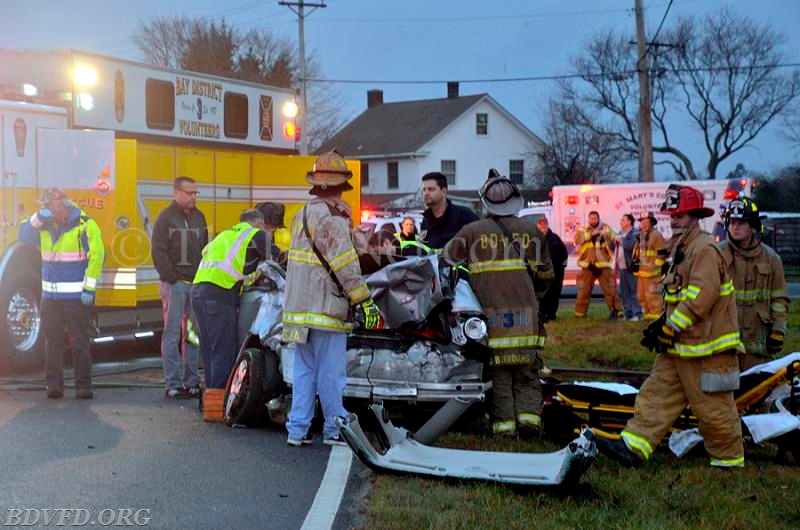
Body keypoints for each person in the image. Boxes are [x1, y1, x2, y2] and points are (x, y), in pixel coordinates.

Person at [594, 185, 744, 468]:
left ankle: (729, 462)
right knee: (655, 394)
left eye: (681, 215)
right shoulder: (680, 247)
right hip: (679, 347)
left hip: (706, 350)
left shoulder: (704, 249)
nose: (674, 220)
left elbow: (702, 295)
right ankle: (633, 447)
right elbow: (676, 296)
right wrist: (663, 325)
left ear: (696, 215)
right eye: (672, 215)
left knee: (713, 407)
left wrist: (672, 327)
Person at [283, 150, 383, 447]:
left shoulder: (301, 215)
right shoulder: (333, 219)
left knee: (304, 372)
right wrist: (364, 300)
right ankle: (334, 429)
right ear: (341, 189)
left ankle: (297, 430)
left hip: (299, 310)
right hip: (325, 309)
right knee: (331, 374)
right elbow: (346, 267)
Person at [445, 173, 553, 438]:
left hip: (491, 321)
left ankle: (505, 430)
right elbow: (547, 275)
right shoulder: (532, 231)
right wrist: (533, 297)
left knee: (499, 377)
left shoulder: (472, 231)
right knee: (527, 374)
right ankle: (530, 424)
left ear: (486, 204)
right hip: (527, 319)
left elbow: (446, 258)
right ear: (513, 202)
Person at [19, 187, 104, 400]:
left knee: (80, 342)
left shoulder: (85, 224)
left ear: (62, 203)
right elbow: (23, 235)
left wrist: (89, 289)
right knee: (52, 343)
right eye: (44, 206)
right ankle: (54, 386)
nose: (47, 208)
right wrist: (38, 218)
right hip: (50, 297)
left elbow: (97, 255)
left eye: (49, 205)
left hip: (76, 297)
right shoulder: (44, 225)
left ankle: (83, 387)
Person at [191, 209, 269, 421]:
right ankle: (218, 409)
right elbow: (277, 260)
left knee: (209, 350)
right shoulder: (256, 234)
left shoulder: (225, 235)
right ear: (259, 223)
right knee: (224, 351)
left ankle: (210, 403)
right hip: (219, 294)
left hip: (198, 292)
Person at [151, 176, 208, 400]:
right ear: (177, 192)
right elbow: (158, 250)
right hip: (174, 285)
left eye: (196, 193)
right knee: (172, 334)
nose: (194, 197)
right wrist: (172, 278)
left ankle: (192, 382)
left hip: (195, 285)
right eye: (189, 193)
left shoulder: (199, 216)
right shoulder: (165, 218)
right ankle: (172, 384)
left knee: (193, 336)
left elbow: (205, 247)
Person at [719, 197, 790, 370]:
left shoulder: (772, 258)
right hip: (723, 346)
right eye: (732, 222)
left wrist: (778, 331)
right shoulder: (716, 254)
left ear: (753, 226)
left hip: (758, 347)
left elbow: (779, 299)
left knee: (758, 393)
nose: (735, 227)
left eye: (741, 222)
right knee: (723, 394)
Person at [573, 211, 621, 319]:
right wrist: (592, 234)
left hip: (603, 266)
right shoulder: (582, 230)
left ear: (598, 218)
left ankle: (617, 311)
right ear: (588, 219)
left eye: (595, 218)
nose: (593, 220)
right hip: (588, 266)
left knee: (610, 290)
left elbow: (615, 238)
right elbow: (578, 240)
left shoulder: (606, 228)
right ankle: (580, 313)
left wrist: (607, 235)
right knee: (583, 291)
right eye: (591, 218)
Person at [420, 172, 478, 250]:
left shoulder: (464, 215)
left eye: (431, 189)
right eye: (424, 189)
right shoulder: (426, 220)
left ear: (444, 191)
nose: (426, 193)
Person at [632, 211, 668, 320]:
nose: (644, 224)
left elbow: (662, 254)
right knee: (642, 297)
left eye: (646, 222)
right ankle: (648, 317)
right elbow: (639, 252)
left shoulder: (656, 235)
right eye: (642, 222)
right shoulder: (641, 235)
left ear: (652, 223)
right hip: (642, 273)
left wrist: (656, 268)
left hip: (652, 274)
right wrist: (635, 262)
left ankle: (656, 319)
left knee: (653, 297)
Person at [536, 216, 567, 322]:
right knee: (543, 294)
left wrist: (562, 267)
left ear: (547, 225)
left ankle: (551, 314)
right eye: (540, 224)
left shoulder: (555, 238)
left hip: (556, 271)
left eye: (544, 224)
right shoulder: (535, 239)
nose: (542, 226)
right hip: (542, 272)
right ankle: (543, 314)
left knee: (554, 294)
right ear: (537, 226)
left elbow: (564, 253)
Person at [615, 214, 643, 321]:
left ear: (629, 222)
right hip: (621, 267)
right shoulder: (620, 233)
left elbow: (631, 245)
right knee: (624, 292)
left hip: (631, 267)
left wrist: (620, 240)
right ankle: (628, 314)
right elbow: (614, 246)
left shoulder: (635, 233)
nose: (621, 222)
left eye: (623, 220)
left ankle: (638, 313)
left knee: (633, 291)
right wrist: (612, 240)